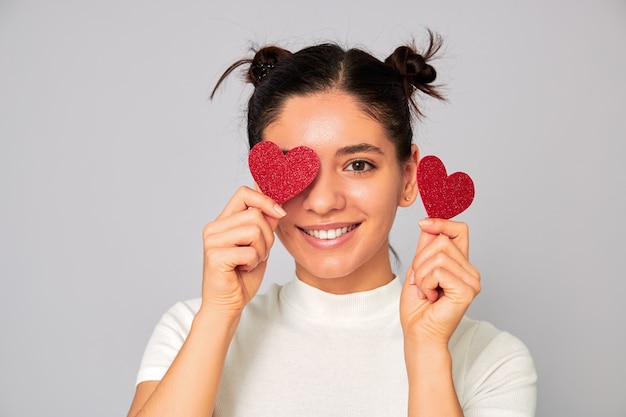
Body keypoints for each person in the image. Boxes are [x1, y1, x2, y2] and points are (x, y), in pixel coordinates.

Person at [127, 31, 537, 417]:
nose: (323, 202)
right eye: (297, 169)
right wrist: (218, 316)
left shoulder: (490, 358)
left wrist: (427, 349)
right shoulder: (191, 329)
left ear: (409, 177)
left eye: (358, 165)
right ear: (264, 181)